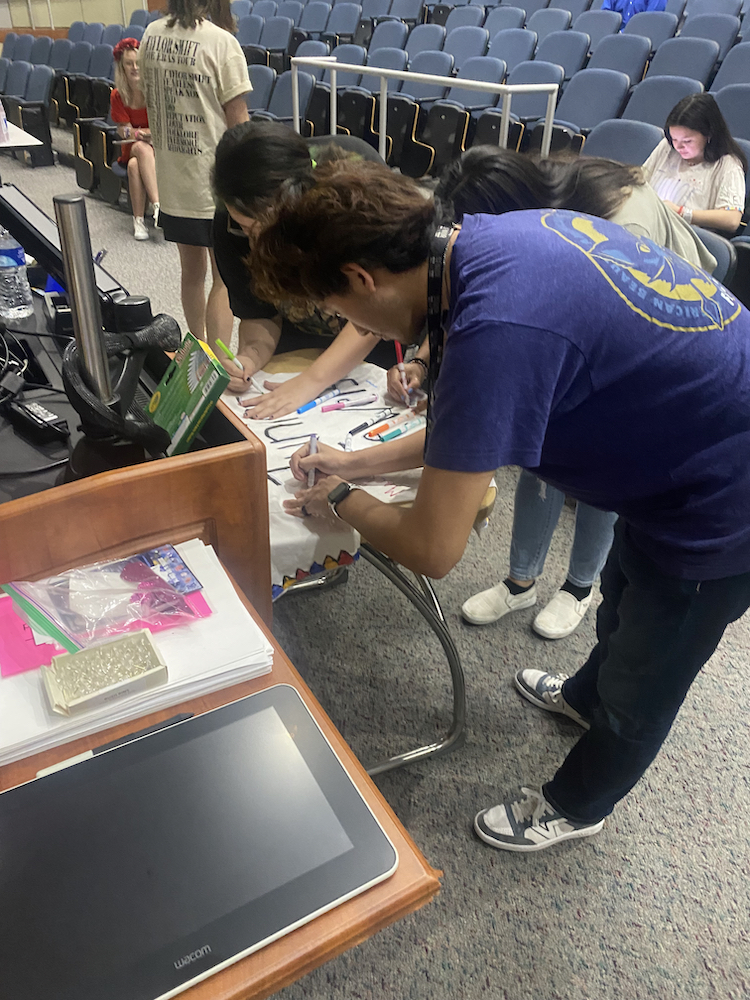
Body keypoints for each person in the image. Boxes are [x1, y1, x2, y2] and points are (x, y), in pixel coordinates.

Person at [250, 160, 750, 853]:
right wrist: (354, 463)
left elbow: (433, 548)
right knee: (626, 594)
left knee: (652, 664)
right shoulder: (482, 244)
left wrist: (340, 498)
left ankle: (580, 804)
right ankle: (583, 698)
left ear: (362, 280)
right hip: (679, 455)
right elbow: (472, 427)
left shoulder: (498, 323)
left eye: (339, 310)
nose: (347, 322)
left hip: (723, 496)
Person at [395, 147, 717, 638]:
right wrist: (423, 357)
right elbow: (460, 284)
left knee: (602, 473)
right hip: (580, 322)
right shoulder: (533, 212)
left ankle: (578, 587)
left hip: (657, 339)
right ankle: (521, 580)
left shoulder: (615, 230)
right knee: (539, 459)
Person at [210, 119, 394, 409]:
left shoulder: (354, 190)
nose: (254, 242)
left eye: (260, 227)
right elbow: (258, 314)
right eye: (244, 228)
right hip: (294, 350)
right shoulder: (230, 224)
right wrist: (248, 358)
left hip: (366, 350)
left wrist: (311, 382)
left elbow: (378, 308)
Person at [139, 0, 250, 339]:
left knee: (191, 271)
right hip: (214, 182)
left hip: (172, 178)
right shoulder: (221, 43)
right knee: (223, 276)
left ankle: (199, 350)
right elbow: (239, 127)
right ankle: (217, 361)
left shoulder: (150, 35)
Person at [643, 93, 747, 235]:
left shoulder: (727, 165)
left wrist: (682, 213)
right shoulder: (667, 147)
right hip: (648, 226)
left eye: (687, 141)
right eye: (674, 139)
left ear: (709, 135)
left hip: (685, 238)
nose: (678, 147)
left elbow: (732, 219)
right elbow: (641, 179)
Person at [109, 38, 160, 242]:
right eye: (129, 63)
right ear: (122, 66)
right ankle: (158, 205)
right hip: (131, 147)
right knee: (139, 147)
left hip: (158, 148)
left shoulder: (154, 91)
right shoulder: (118, 95)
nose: (135, 67)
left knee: (133, 166)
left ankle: (139, 221)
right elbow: (124, 133)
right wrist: (142, 133)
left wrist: (137, 132)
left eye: (138, 62)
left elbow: (160, 130)